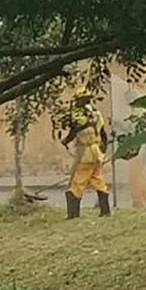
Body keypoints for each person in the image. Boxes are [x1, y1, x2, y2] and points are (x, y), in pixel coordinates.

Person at [60, 89, 112, 218]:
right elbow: (103, 133)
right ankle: (105, 211)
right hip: (96, 153)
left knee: (77, 182)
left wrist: (66, 140)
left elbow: (74, 130)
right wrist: (103, 150)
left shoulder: (78, 115)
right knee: (98, 181)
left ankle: (73, 214)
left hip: (85, 154)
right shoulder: (97, 114)